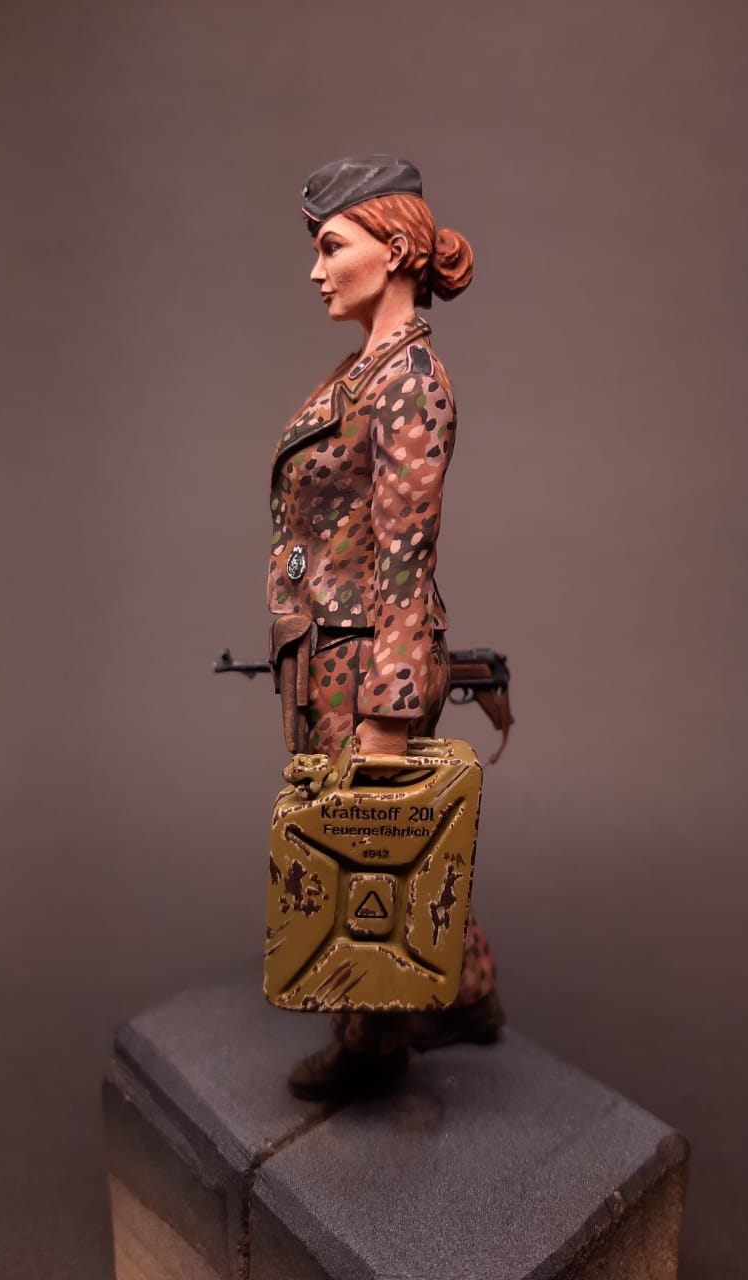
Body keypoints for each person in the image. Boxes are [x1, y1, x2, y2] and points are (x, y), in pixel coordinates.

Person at [267, 156, 504, 1100]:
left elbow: (407, 557)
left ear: (396, 248)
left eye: (332, 246)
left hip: (365, 659)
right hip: (330, 649)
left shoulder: (409, 383)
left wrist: (388, 715)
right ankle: (467, 990)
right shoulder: (366, 371)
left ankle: (372, 1043)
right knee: (395, 832)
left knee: (361, 844)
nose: (316, 270)